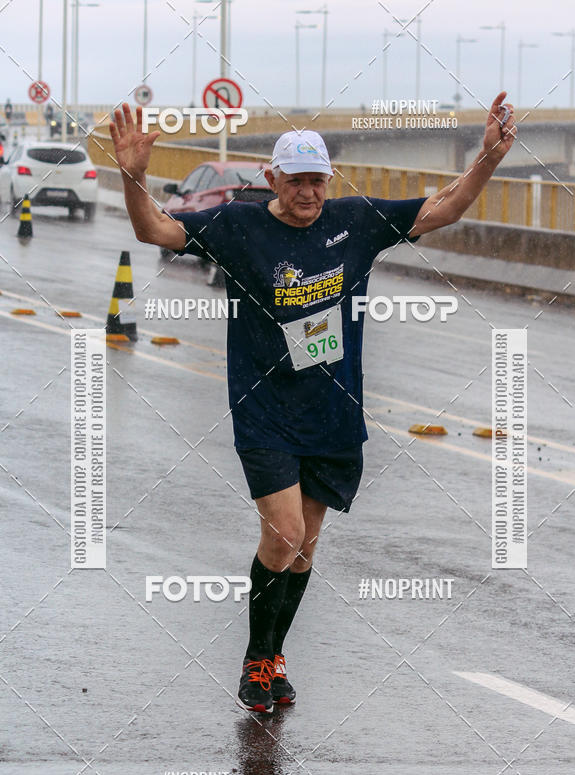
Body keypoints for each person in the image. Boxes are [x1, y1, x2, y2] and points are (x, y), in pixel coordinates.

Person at [109, 92, 515, 714]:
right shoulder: (238, 226)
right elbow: (153, 229)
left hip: (332, 411)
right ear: (272, 178)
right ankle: (254, 661)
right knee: (284, 532)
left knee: (304, 548)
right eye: (296, 181)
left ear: (330, 180)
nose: (309, 193)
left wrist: (486, 158)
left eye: (317, 181)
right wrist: (133, 176)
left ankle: (273, 658)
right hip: (265, 409)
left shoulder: (356, 221)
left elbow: (445, 206)